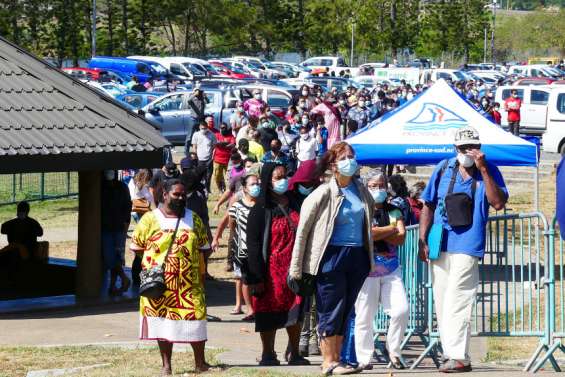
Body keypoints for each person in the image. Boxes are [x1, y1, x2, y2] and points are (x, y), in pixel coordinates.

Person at [418, 126, 508, 373]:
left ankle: (457, 355)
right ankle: (456, 355)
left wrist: (483, 170)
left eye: (473, 147)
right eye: (462, 148)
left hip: (468, 243)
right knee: (443, 300)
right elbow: (428, 204)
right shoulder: (443, 168)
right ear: (454, 148)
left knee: (459, 297)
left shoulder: (488, 170)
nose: (468, 152)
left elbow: (498, 202)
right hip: (441, 241)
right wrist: (423, 239)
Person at [289, 142, 374, 375]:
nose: (351, 161)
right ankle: (328, 361)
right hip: (330, 256)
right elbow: (303, 231)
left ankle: (338, 359)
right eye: (345, 157)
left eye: (352, 156)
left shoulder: (360, 190)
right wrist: (296, 267)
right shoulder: (323, 193)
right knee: (330, 309)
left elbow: (369, 219)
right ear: (334, 164)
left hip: (357, 255)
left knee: (346, 309)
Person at [130, 179, 211, 375]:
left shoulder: (193, 219)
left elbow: (204, 248)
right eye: (176, 194)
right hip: (159, 285)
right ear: (165, 195)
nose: (181, 197)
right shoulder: (150, 219)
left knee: (196, 321)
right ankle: (166, 365)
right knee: (162, 323)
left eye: (183, 194)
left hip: (189, 286)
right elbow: (137, 247)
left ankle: (200, 363)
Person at [245, 163, 309, 366]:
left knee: (296, 310)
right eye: (277, 177)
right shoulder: (260, 209)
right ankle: (268, 353)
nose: (283, 180)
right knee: (268, 312)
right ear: (267, 181)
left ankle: (294, 352)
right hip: (270, 272)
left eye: (284, 176)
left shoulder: (296, 203)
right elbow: (253, 245)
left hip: (295, 269)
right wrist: (256, 276)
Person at [351, 171, 409, 371]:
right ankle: (364, 358)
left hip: (391, 270)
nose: (379, 189)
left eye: (382, 185)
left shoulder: (395, 210)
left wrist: (382, 232)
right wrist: (392, 229)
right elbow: (367, 234)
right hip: (366, 270)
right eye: (374, 185)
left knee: (401, 310)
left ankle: (394, 350)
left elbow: (401, 238)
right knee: (365, 316)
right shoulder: (360, 210)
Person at [227, 172, 260, 321]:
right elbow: (231, 225)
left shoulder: (263, 205)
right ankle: (250, 309)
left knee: (259, 279)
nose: (256, 186)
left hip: (260, 249)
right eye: (252, 184)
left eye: (257, 183)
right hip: (243, 249)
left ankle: (259, 307)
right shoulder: (236, 206)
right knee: (246, 279)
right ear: (245, 189)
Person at [101, 170, 132, 296]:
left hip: (116, 226)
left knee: (115, 256)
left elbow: (128, 205)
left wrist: (126, 221)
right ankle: (120, 280)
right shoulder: (102, 187)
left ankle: (116, 283)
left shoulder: (121, 187)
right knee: (112, 256)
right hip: (110, 227)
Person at [0, 201, 44, 283]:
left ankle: (11, 279)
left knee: (12, 255)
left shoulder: (30, 223)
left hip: (26, 251)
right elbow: (40, 233)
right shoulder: (31, 222)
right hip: (22, 250)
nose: (20, 213)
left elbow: (40, 233)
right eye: (20, 211)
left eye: (21, 211)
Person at [191, 121, 217, 194]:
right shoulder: (196, 135)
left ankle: (208, 189)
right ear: (199, 127)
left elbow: (214, 147)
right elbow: (194, 147)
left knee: (208, 176)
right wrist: (195, 157)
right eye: (202, 128)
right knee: (199, 176)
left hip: (209, 159)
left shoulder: (212, 135)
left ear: (207, 127)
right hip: (200, 159)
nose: (203, 129)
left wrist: (212, 157)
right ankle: (199, 189)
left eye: (205, 128)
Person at [212, 123, 236, 193]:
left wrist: (222, 144)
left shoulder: (230, 136)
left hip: (228, 160)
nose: (223, 129)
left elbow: (233, 145)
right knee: (217, 176)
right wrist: (226, 144)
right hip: (217, 159)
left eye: (224, 128)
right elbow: (216, 143)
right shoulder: (216, 135)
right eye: (221, 128)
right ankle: (221, 189)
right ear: (219, 128)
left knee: (229, 177)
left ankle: (230, 190)